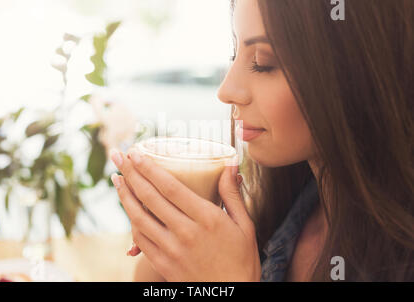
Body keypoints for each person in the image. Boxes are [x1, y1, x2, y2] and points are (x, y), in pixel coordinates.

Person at [110, 0, 413, 281]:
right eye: (235, 55)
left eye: (262, 62)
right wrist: (172, 245)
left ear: (354, 71)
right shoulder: (280, 210)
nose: (227, 90)